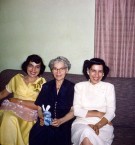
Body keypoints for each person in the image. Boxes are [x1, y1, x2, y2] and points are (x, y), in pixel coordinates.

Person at [0, 54, 46, 145]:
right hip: (10, 109)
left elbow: (39, 106)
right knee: (8, 117)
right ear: (26, 66)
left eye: (37, 67)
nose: (33, 70)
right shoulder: (17, 78)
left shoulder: (42, 82)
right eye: (30, 66)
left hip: (28, 114)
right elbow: (2, 94)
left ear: (40, 69)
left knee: (10, 119)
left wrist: (18, 101)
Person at [29, 56, 75, 145]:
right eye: (55, 69)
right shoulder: (46, 86)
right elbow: (39, 108)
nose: (58, 72)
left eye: (61, 69)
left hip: (64, 123)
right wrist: (41, 117)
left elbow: (73, 111)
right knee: (37, 134)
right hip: (46, 122)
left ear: (67, 70)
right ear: (52, 70)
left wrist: (61, 120)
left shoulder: (72, 87)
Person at [71, 58, 116, 145]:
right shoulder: (79, 86)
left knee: (87, 134)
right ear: (88, 71)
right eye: (93, 71)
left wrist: (97, 126)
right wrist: (99, 114)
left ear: (103, 73)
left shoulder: (109, 87)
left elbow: (111, 112)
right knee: (86, 131)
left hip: (103, 124)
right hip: (81, 123)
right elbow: (77, 111)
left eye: (100, 71)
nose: (96, 75)